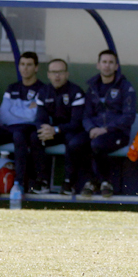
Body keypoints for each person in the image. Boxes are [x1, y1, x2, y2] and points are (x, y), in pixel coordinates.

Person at [0, 53, 44, 192]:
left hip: (28, 129)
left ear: (36, 68)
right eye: (22, 64)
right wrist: (25, 109)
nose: (25, 68)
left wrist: (14, 109)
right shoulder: (12, 88)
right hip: (8, 128)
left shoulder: (43, 89)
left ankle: (18, 183)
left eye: (29, 65)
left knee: (19, 135)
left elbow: (34, 116)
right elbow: (4, 115)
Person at [71, 49, 136, 197]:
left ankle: (104, 182)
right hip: (95, 131)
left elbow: (129, 116)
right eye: (104, 62)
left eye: (111, 62)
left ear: (116, 66)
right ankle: (91, 181)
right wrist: (91, 128)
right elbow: (86, 115)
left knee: (97, 144)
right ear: (98, 65)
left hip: (118, 133)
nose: (107, 65)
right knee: (75, 143)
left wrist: (105, 129)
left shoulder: (125, 87)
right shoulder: (92, 88)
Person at [33, 59, 86, 195]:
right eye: (53, 72)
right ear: (48, 75)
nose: (57, 76)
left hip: (72, 131)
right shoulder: (43, 92)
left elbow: (77, 123)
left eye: (60, 72)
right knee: (35, 137)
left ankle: (69, 182)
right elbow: (40, 119)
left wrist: (55, 130)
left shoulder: (76, 92)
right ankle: (42, 181)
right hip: (54, 132)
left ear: (67, 74)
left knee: (71, 140)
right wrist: (44, 129)